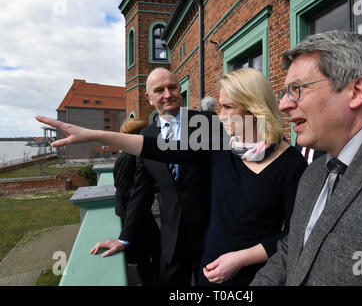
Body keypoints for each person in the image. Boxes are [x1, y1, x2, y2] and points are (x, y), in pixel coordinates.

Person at [36, 67, 307, 286]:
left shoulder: (291, 164)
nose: (219, 116)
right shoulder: (221, 145)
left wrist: (241, 259)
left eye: (227, 107)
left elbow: (294, 234)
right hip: (209, 268)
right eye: (219, 107)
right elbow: (157, 149)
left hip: (254, 274)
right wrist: (95, 135)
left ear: (253, 108)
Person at [250, 30, 362, 286]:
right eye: (285, 92)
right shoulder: (313, 174)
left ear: (356, 91)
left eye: (296, 89)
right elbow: (292, 252)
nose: (284, 105)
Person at [90, 68, 213, 286]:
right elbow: (140, 191)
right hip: (171, 237)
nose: (168, 94)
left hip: (212, 231)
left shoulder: (207, 123)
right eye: (159, 90)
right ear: (149, 97)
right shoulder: (146, 136)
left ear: (180, 89)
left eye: (172, 87)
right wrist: (124, 237)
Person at [112, 118, 159, 286]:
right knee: (144, 258)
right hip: (134, 216)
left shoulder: (132, 155)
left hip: (139, 214)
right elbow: (125, 192)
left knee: (152, 253)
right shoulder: (129, 158)